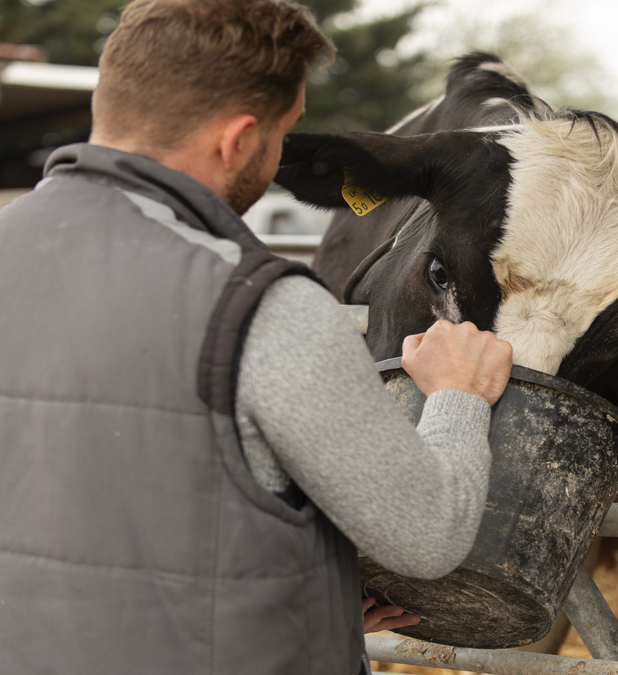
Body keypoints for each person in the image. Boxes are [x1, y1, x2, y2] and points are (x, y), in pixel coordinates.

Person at [0, 1, 512, 673]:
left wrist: (313, 604)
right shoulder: (263, 307)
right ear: (239, 139)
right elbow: (427, 535)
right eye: (283, 133)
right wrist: (457, 395)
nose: (278, 158)